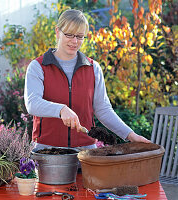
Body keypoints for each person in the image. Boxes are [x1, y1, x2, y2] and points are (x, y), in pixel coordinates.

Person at [24, 9, 150, 151]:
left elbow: (103, 110)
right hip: (46, 151)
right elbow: (32, 103)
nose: (75, 41)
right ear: (57, 31)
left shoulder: (93, 68)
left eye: (80, 36)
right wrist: (61, 109)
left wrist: (131, 136)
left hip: (85, 152)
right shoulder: (38, 67)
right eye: (69, 35)